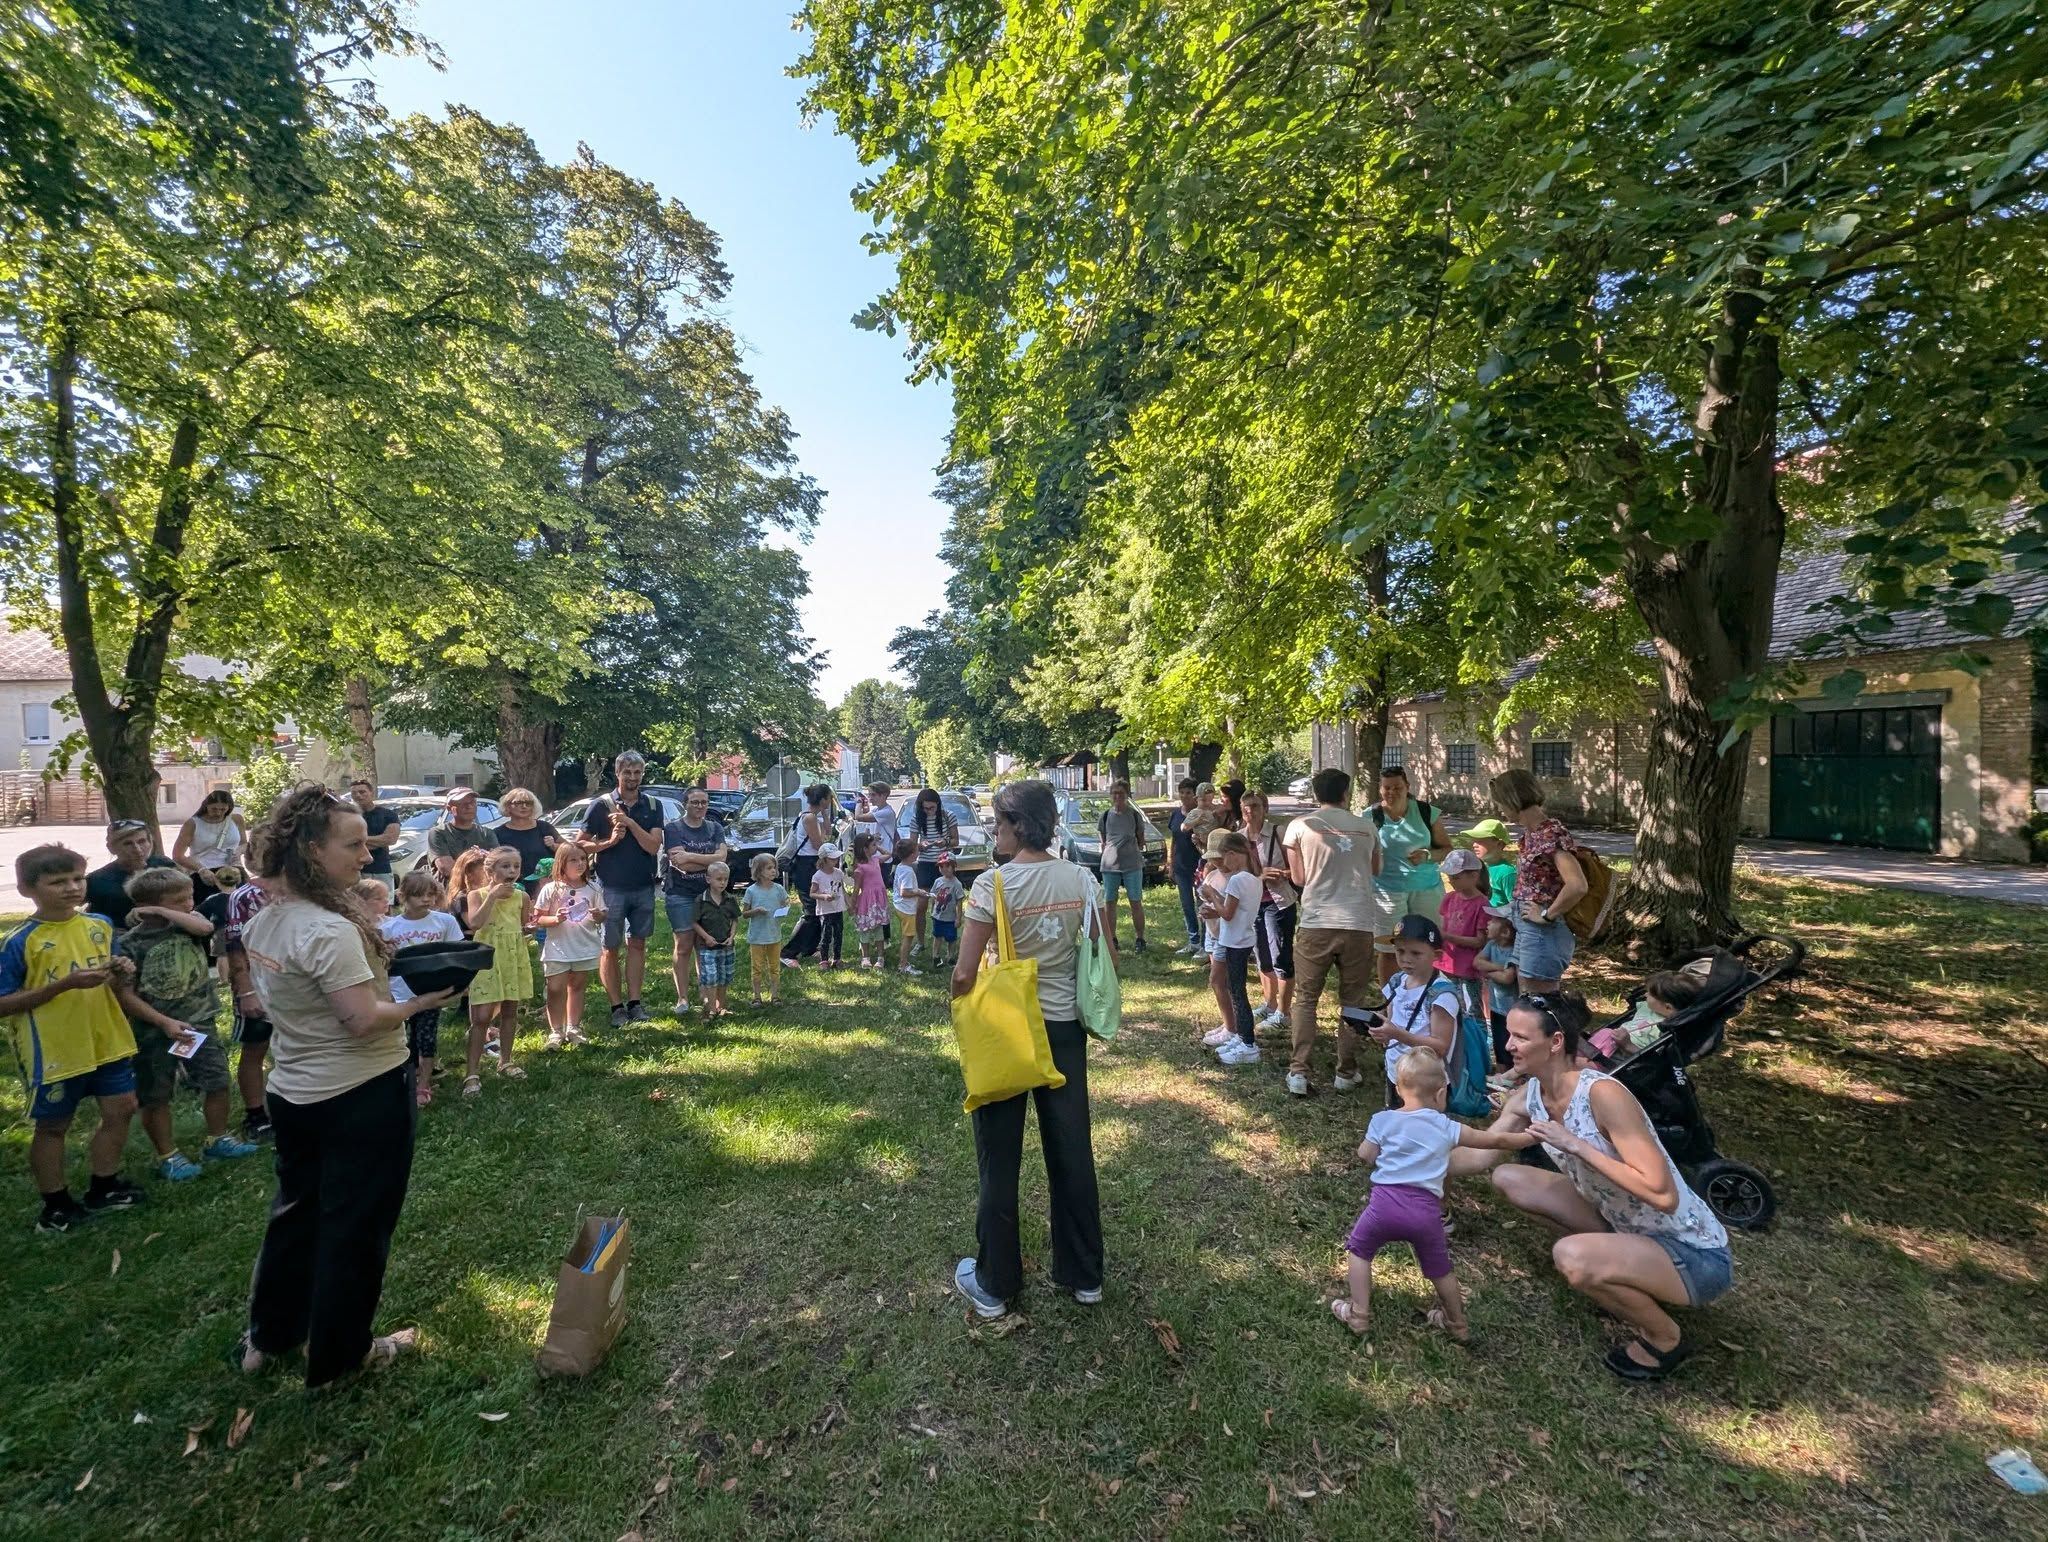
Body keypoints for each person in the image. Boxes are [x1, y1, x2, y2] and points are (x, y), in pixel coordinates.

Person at [237, 786, 455, 1387]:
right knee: (355, 1224)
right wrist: (423, 1003)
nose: (367, 854)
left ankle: (270, 1336)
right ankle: (339, 1355)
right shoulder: (327, 931)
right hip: (359, 1092)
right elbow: (361, 1019)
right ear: (309, 849)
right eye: (352, 844)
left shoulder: (265, 920)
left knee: (296, 1212)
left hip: (293, 1091)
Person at [1450, 991, 1735, 1381]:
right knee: (1509, 1177)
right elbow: (1481, 1156)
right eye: (1510, 1035)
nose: (1508, 1045)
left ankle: (1665, 1337)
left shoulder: (1603, 1095)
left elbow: (1663, 1196)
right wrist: (1415, 1158)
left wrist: (1576, 1146)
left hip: (1692, 1254)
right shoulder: (1532, 1094)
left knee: (1572, 1257)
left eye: (1520, 1037)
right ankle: (1618, 1269)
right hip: (1625, 1224)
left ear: (1555, 1042)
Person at [950, 780, 1112, 1319]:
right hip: (1064, 1031)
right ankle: (1084, 1274)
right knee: (1072, 1151)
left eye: (998, 822)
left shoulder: (991, 887)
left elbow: (964, 974)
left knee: (999, 1159)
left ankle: (996, 1283)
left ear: (1019, 825)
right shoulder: (1083, 880)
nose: (994, 830)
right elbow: (1102, 952)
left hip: (1009, 1032)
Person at [1329, 1048, 1536, 1341]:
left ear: (1399, 1089)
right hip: (1427, 1212)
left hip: (1383, 1207)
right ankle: (1457, 1323)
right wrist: (1531, 1136)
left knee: (1360, 1252)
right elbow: (1494, 1139)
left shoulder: (1382, 1120)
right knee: (1439, 1269)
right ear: (1441, 1094)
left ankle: (1359, 1314)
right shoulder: (1447, 1127)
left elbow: (1366, 1154)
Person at [2, 845, 148, 1232]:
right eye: (57, 882)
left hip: (106, 1039)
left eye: (77, 879)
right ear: (27, 890)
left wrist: (122, 971)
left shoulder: (98, 925)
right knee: (53, 1126)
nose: (71, 888)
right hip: (54, 1048)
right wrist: (63, 986)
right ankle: (56, 1204)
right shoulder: (20, 941)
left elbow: (116, 982)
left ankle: (105, 1185)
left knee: (122, 1108)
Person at [120, 866, 259, 1178]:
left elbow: (204, 929)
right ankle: (167, 1155)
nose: (189, 903)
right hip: (155, 1031)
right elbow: (126, 995)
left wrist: (161, 910)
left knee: (217, 1080)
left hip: (199, 1023)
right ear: (146, 905)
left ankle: (218, 1137)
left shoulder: (189, 925)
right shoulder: (130, 944)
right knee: (157, 1093)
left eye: (190, 897)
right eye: (179, 900)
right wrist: (164, 1022)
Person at [1280, 768, 1384, 1098]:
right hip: (1359, 922)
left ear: (1315, 793)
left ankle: (1299, 1071)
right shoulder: (1367, 827)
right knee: (1352, 1000)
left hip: (1316, 921)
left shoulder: (1298, 827)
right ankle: (1346, 1070)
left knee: (1306, 999)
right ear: (1346, 792)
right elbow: (1376, 869)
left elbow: (1298, 878)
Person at [1490, 769, 1588, 993]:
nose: (1499, 809)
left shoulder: (1550, 833)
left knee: (1539, 1002)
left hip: (1542, 931)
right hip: (1527, 926)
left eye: (1500, 803)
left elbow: (1577, 885)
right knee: (1527, 998)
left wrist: (1546, 915)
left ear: (1512, 799)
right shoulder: (1531, 834)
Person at [585, 752, 663, 1025]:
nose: (632, 778)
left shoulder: (653, 805)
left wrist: (630, 824)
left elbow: (653, 846)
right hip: (611, 888)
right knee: (610, 947)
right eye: (627, 772)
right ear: (617, 773)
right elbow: (581, 845)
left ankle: (635, 1003)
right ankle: (616, 1007)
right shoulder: (601, 805)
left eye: (637, 773)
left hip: (643, 886)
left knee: (638, 945)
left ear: (643, 774)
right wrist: (608, 843)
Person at [382, 868, 465, 1102]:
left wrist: (458, 983)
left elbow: (457, 953)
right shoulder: (388, 928)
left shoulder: (444, 921)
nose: (426, 900)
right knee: (401, 1040)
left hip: (431, 993)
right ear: (403, 896)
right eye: (419, 895)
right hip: (398, 994)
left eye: (430, 894)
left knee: (426, 1037)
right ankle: (400, 1079)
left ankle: (423, 1084)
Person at [1365, 914, 1460, 1107]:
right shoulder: (1397, 981)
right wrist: (1383, 1032)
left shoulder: (1441, 995)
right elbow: (1391, 1020)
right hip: (1396, 1070)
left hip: (1425, 1080)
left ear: (1438, 955)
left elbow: (1440, 1046)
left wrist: (1397, 1034)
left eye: (1416, 953)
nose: (1406, 959)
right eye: (1400, 951)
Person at [460, 846, 533, 1095]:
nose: (512, 871)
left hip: (512, 958)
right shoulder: (477, 895)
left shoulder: (522, 897)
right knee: (480, 1017)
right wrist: (492, 896)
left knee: (510, 1011)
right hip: (487, 959)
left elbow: (525, 925)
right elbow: (475, 923)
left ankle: (506, 1060)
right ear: (490, 871)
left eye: (516, 866)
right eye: (505, 866)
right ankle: (471, 1073)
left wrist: (531, 928)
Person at [1369, 766, 1451, 985]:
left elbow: (1447, 849)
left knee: (1429, 944)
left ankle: (1426, 992)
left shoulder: (1426, 812)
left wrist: (1427, 855)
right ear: (1380, 789)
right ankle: (1391, 1000)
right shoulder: (1370, 816)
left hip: (1427, 888)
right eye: (1387, 788)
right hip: (1386, 891)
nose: (1392, 792)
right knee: (1389, 948)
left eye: (1397, 787)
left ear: (1407, 787)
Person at [1197, 830, 1263, 1066]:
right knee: (1237, 991)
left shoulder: (1237, 880)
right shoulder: (1254, 880)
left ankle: (1248, 1044)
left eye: (1225, 857)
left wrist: (1212, 894)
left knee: (1238, 993)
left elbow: (1227, 912)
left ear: (1234, 855)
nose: (1223, 863)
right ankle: (1242, 1036)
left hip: (1235, 942)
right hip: (1242, 939)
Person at [661, 788, 729, 1015]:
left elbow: (722, 860)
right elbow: (682, 865)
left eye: (704, 802)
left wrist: (690, 856)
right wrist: (707, 862)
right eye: (695, 802)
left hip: (707, 895)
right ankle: (682, 997)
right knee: (683, 944)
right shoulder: (673, 829)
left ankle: (705, 991)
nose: (700, 806)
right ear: (686, 804)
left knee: (704, 944)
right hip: (680, 893)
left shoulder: (715, 828)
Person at [533, 843, 604, 1051]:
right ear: (561, 863)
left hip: (584, 946)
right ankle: (556, 1031)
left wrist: (600, 915)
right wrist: (555, 919)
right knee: (555, 989)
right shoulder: (551, 888)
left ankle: (573, 1027)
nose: (580, 863)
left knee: (577, 986)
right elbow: (538, 918)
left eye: (583, 858)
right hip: (558, 947)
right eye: (573, 860)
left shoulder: (593, 888)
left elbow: (603, 913)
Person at [222, 872, 276, 1141]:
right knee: (256, 1046)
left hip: (295, 983)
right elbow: (234, 945)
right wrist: (246, 990)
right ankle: (256, 1115)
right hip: (257, 982)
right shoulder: (244, 896)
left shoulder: (306, 885)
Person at [1242, 789, 1296, 1030]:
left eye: (1254, 806)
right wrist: (1257, 876)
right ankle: (1270, 1003)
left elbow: (1299, 871)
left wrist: (1282, 874)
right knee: (1261, 954)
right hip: (1253, 902)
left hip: (1279, 901)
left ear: (1265, 808)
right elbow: (1235, 872)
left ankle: (1284, 1013)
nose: (1250, 812)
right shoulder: (1239, 837)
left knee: (1280, 955)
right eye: (1246, 807)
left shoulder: (1277, 832)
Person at [779, 784, 838, 967]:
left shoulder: (814, 816)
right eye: (829, 798)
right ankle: (787, 952)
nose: (830, 802)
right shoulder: (810, 818)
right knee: (811, 911)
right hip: (806, 865)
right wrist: (829, 846)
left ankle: (810, 948)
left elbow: (827, 832)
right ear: (822, 800)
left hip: (812, 864)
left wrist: (826, 814)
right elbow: (818, 845)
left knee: (817, 909)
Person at [86, 818, 177, 932]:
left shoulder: (164, 865)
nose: (137, 849)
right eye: (128, 843)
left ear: (150, 842)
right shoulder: (98, 880)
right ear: (112, 848)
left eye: (142, 841)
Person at [1096, 780, 1154, 952]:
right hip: (1109, 865)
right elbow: (1103, 840)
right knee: (1109, 902)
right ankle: (1111, 938)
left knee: (1135, 901)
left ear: (1127, 795)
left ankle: (1140, 939)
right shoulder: (1105, 816)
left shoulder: (1135, 815)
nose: (1117, 796)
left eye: (1121, 793)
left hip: (1132, 864)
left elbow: (1141, 840)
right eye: (1114, 792)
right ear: (1110, 795)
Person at [1436, 848, 1491, 1025]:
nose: (1451, 881)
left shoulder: (1482, 904)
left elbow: (1479, 941)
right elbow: (1444, 925)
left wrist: (1448, 937)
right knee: (1448, 1006)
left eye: (1456, 877)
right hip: (1445, 964)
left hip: (1468, 968)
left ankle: (1477, 1042)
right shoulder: (1449, 898)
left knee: (1471, 1010)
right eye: (1450, 877)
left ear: (1474, 876)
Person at [905, 787, 960, 954]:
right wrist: (920, 846)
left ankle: (948, 941)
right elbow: (912, 844)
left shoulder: (948, 816)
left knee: (947, 904)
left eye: (931, 808)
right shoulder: (917, 819)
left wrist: (945, 842)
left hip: (945, 863)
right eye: (925, 808)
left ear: (938, 804)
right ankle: (920, 943)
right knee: (921, 905)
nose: (928, 811)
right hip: (926, 863)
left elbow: (956, 840)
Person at [691, 861, 741, 1019]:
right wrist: (706, 937)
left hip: (726, 946)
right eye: (719, 879)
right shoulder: (701, 900)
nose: (722, 882)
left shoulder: (730, 899)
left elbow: (734, 920)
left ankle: (722, 1006)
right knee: (711, 977)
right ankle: (711, 1008)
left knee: (724, 977)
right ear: (708, 879)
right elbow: (694, 922)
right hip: (707, 947)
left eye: (725, 879)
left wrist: (732, 937)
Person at [1473, 907, 1520, 1076]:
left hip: (1512, 1011)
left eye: (1493, 921)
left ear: (1506, 932)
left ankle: (1516, 1077)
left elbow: (1508, 978)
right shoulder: (1491, 945)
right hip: (1495, 1008)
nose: (1487, 922)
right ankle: (1501, 1077)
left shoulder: (1516, 949)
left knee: (1514, 1047)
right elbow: (1477, 963)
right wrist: (1499, 968)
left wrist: (1488, 972)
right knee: (1499, 1046)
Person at [172, 789, 245, 894]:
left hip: (232, 870)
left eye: (223, 809)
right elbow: (177, 855)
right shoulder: (192, 824)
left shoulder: (237, 819)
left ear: (229, 807)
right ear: (206, 806)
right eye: (214, 809)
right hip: (205, 872)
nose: (218, 813)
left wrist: (238, 852)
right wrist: (201, 870)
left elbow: (244, 843)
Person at [742, 854, 789, 1007]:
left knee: (774, 968)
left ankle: (775, 996)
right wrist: (756, 911)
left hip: (774, 935)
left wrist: (784, 909)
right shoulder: (751, 891)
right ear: (759, 871)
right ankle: (757, 996)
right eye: (769, 868)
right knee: (757, 968)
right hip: (757, 937)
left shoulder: (779, 889)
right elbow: (744, 914)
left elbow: (784, 904)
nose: (773, 871)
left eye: (774, 867)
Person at [493, 788, 561, 891]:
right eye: (519, 803)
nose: (524, 806)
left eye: (528, 803)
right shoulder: (498, 833)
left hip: (544, 888)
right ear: (508, 806)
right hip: (512, 888)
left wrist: (554, 846)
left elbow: (569, 850)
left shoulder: (544, 827)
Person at [425, 786, 498, 882]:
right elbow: (447, 869)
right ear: (450, 808)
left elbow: (497, 865)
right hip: (449, 891)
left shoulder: (487, 833)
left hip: (481, 891)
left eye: (472, 802)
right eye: (462, 803)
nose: (469, 806)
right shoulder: (439, 832)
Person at [1166, 778, 1204, 955]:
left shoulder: (1200, 814)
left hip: (1198, 865)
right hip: (1180, 866)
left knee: (1202, 904)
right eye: (1182, 792)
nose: (1184, 796)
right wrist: (1171, 863)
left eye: (1188, 792)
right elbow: (1174, 839)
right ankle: (1193, 940)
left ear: (1195, 795)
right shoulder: (1175, 814)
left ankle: (1205, 943)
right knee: (1187, 905)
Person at [348, 779, 402, 894]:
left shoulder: (388, 815)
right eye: (354, 793)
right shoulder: (348, 817)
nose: (358, 795)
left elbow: (390, 839)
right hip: (355, 870)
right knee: (356, 906)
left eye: (362, 792)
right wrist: (377, 840)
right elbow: (343, 840)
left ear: (371, 793)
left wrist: (357, 841)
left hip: (381, 869)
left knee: (384, 906)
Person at [849, 834, 888, 970]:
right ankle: (865, 957)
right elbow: (856, 888)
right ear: (865, 849)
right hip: (867, 902)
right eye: (873, 845)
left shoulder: (876, 860)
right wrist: (852, 905)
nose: (876, 848)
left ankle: (880, 958)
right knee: (864, 930)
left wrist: (877, 845)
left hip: (878, 901)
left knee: (879, 929)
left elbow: (889, 854)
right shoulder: (860, 867)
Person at [891, 839, 927, 975]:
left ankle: (904, 962)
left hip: (901, 906)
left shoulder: (901, 866)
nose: (918, 852)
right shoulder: (907, 871)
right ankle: (903, 965)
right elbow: (904, 892)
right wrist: (918, 892)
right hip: (906, 908)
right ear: (912, 855)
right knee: (908, 937)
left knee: (907, 935)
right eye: (917, 850)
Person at [1464, 818, 1517, 909]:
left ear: (1499, 844)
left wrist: (1502, 921)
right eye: (1474, 841)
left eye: (1480, 841)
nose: (1474, 845)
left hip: (1498, 920)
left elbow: (1515, 907)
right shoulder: (1476, 868)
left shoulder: (1507, 872)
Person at [810, 844, 848, 969]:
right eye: (832, 858)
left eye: (837, 858)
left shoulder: (838, 873)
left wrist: (849, 903)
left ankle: (837, 958)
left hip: (838, 908)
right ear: (824, 859)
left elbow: (844, 889)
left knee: (838, 934)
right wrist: (824, 897)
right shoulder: (818, 876)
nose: (836, 860)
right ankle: (824, 959)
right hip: (826, 910)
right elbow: (812, 893)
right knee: (826, 934)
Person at [926, 852, 964, 970]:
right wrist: (931, 910)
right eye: (941, 866)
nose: (943, 869)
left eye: (947, 866)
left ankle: (951, 956)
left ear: (953, 866)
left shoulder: (957, 884)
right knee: (937, 936)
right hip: (938, 916)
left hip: (950, 918)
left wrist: (958, 918)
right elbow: (933, 896)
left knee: (951, 938)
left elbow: (959, 902)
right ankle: (935, 956)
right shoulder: (938, 881)